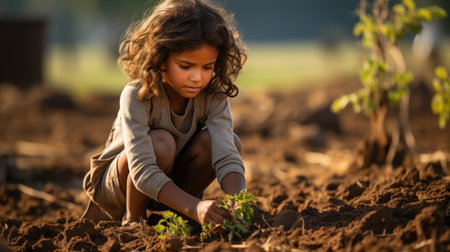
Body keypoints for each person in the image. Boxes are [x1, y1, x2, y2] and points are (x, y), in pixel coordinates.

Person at [81, 0, 247, 227]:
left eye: (207, 67)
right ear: (160, 58)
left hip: (171, 189)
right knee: (161, 143)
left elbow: (227, 155)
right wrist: (195, 206)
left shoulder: (213, 95)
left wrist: (240, 205)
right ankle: (133, 219)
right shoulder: (136, 95)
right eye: (186, 66)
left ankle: (180, 218)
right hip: (120, 187)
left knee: (230, 142)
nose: (197, 77)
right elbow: (141, 170)